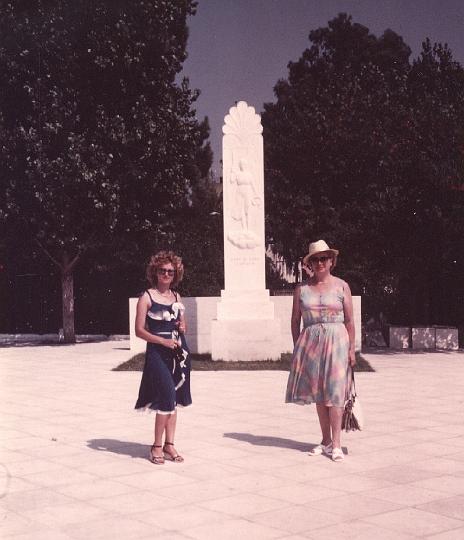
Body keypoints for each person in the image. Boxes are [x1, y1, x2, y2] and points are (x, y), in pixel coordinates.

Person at [285, 240, 356, 462]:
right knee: (319, 392)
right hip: (311, 344)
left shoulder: (342, 286)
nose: (319, 263)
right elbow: (295, 320)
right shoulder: (302, 289)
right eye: (314, 259)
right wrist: (299, 347)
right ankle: (325, 441)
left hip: (337, 341)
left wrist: (352, 350)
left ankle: (336, 444)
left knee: (335, 392)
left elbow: (350, 321)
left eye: (323, 258)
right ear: (310, 264)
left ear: (331, 261)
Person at [134, 250, 192, 464]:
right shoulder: (146, 297)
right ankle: (156, 446)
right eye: (163, 271)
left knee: (174, 398)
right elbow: (139, 331)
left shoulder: (177, 297)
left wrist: (182, 326)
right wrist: (163, 341)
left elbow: (182, 325)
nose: (167, 274)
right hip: (158, 353)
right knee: (166, 396)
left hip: (179, 353)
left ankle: (170, 444)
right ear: (155, 272)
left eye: (170, 271)